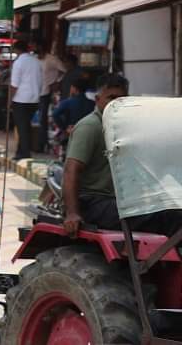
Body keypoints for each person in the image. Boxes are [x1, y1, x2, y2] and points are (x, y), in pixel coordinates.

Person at [62, 74, 182, 237]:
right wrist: (72, 213)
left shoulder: (125, 128)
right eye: (111, 98)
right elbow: (71, 170)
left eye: (121, 99)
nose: (115, 104)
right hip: (93, 201)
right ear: (97, 99)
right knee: (168, 218)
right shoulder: (90, 127)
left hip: (120, 199)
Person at [9, 40, 42, 160]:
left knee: (22, 127)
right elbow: (40, 80)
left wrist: (9, 101)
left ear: (17, 50)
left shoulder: (19, 63)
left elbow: (14, 85)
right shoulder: (36, 61)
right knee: (26, 126)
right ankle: (20, 150)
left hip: (21, 99)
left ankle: (24, 153)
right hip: (34, 98)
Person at [37, 42, 66, 152]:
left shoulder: (52, 59)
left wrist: (57, 81)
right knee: (38, 120)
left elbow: (65, 70)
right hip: (36, 92)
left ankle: (43, 144)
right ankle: (40, 143)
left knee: (43, 119)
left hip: (46, 92)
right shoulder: (35, 59)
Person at [51, 77, 95, 149]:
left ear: (74, 88)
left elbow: (55, 114)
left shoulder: (68, 102)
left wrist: (64, 128)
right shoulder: (92, 103)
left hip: (72, 132)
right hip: (88, 133)